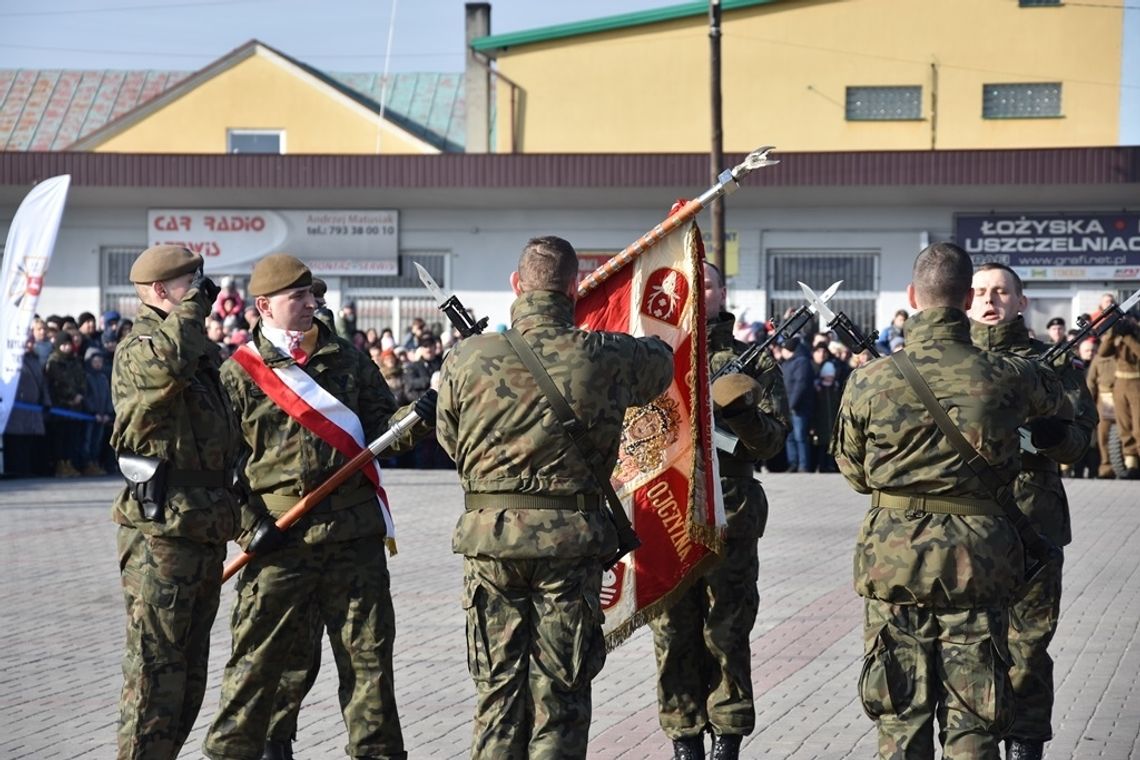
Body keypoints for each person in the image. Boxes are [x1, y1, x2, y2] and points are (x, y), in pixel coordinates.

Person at [436, 235, 673, 759]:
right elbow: (663, 360)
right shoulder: (605, 356)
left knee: (497, 688)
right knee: (560, 691)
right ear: (572, 288)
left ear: (516, 286)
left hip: (491, 542)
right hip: (569, 548)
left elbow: (451, 442)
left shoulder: (466, 358)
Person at [831, 242, 1064, 760]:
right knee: (975, 717)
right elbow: (1058, 406)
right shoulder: (1009, 376)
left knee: (899, 713)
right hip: (977, 564)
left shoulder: (869, 380)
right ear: (965, 300)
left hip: (894, 564)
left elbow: (852, 471)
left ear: (913, 296)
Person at [203, 253, 435, 760]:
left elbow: (382, 430)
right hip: (279, 544)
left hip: (354, 540)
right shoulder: (239, 375)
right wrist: (248, 528)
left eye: (314, 295)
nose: (313, 304)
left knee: (369, 666)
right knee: (258, 667)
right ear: (264, 305)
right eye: (299, 297)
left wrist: (420, 415)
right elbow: (216, 469)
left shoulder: (347, 359)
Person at [648, 261, 789, 760]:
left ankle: (727, 735)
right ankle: (684, 736)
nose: (699, 291)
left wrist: (742, 416)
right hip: (666, 512)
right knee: (672, 633)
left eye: (707, 283)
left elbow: (774, 443)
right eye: (690, 283)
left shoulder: (754, 362)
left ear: (723, 291)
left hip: (730, 510)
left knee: (728, 630)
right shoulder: (654, 355)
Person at [109, 244, 243, 759]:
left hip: (201, 526)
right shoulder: (143, 344)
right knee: (154, 671)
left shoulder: (197, 349)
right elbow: (166, 369)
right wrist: (188, 310)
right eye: (194, 284)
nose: (204, 295)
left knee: (188, 672)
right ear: (160, 291)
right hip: (160, 529)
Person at [967, 262, 1097, 760]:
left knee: (1027, 647)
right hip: (966, 525)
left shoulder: (1055, 362)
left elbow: (1081, 440)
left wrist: (1056, 435)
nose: (990, 300)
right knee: (970, 646)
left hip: (1032, 524)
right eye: (979, 291)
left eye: (1001, 292)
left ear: (1021, 303)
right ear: (963, 301)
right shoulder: (949, 363)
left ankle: (1024, 745)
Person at [2, 334, 52, 477]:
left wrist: (46, 402)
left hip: (33, 410)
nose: (30, 345)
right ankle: (14, 471)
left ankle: (26, 470)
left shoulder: (35, 360)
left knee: (28, 441)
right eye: (27, 342)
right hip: (16, 410)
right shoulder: (11, 360)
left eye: (31, 342)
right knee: (15, 441)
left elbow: (43, 384)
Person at [1101, 314, 1140, 478]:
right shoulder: (1119, 337)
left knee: (1138, 427)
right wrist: (1112, 334)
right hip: (1120, 384)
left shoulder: (1134, 336)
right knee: (1124, 427)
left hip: (1137, 382)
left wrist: (1129, 336)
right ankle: (1131, 464)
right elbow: (1103, 353)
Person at [44, 331, 86, 477]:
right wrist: (69, 397)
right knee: (60, 439)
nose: (67, 348)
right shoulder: (53, 362)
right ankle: (60, 465)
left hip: (75, 408)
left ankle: (69, 463)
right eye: (64, 345)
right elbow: (56, 385)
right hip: (60, 407)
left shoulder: (74, 361)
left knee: (72, 438)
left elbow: (81, 380)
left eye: (69, 344)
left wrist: (80, 395)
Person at [779, 336, 814, 472]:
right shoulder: (786, 363)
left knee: (800, 437)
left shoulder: (802, 362)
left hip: (798, 408)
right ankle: (793, 463)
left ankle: (803, 465)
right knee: (790, 437)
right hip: (788, 407)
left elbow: (800, 385)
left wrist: (792, 404)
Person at [1088, 338, 1118, 478]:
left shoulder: (1127, 354)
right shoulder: (1099, 358)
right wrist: (1089, 403)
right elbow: (1091, 382)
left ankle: (1130, 465)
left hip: (1126, 401)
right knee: (1103, 436)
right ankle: (1106, 466)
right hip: (1104, 401)